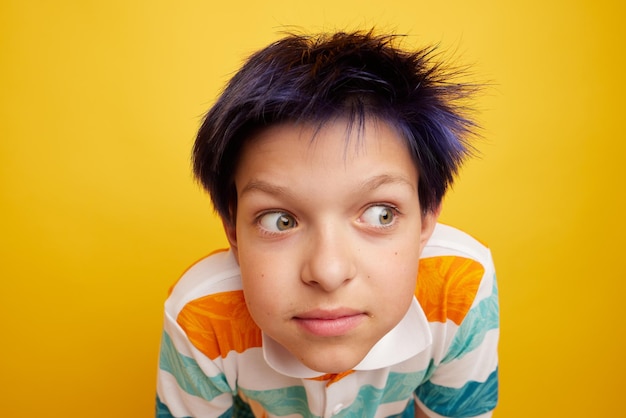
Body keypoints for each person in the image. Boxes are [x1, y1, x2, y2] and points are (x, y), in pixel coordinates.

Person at [156, 30, 499, 418]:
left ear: (426, 217)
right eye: (280, 220)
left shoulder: (461, 286)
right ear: (233, 229)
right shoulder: (201, 316)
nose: (329, 272)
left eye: (380, 214)